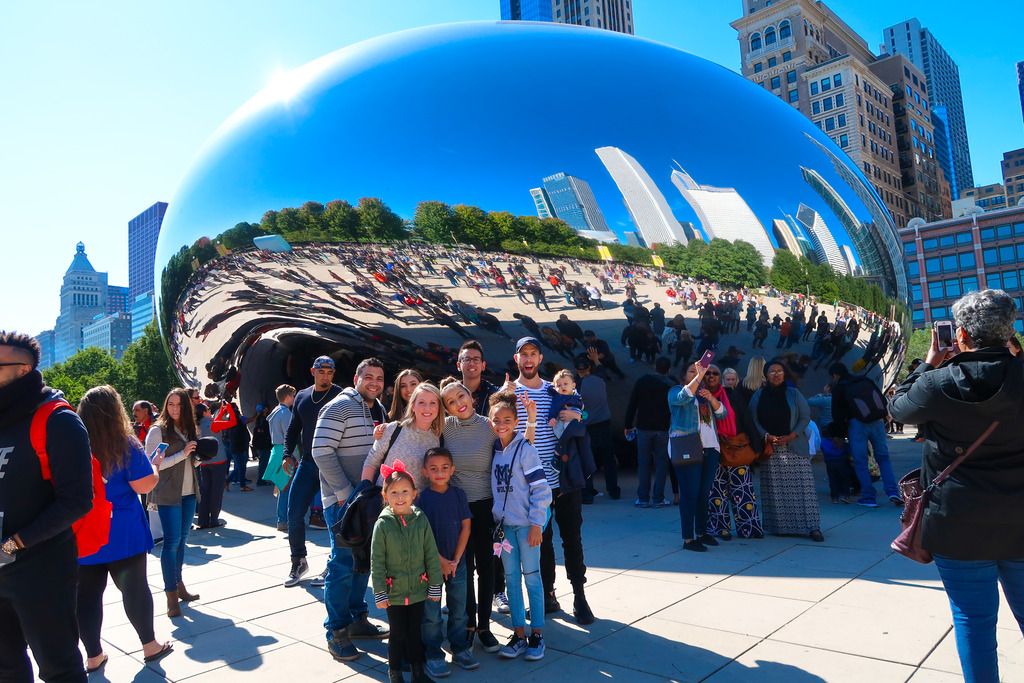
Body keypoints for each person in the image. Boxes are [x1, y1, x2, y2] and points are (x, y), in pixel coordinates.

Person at [889, 289, 1024, 683]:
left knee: (973, 621)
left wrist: (928, 362)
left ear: (960, 335)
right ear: (1009, 330)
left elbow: (897, 406)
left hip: (957, 523)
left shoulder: (937, 384)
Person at [0, 331, 93, 682]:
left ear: (23, 370)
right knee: (6, 669)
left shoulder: (57, 419)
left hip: (40, 572)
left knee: (59, 668)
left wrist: (14, 543)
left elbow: (77, 500)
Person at [76, 386, 172, 672]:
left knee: (87, 597)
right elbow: (143, 484)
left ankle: (93, 656)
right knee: (134, 589)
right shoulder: (125, 443)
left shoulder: (75, 444)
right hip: (122, 531)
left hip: (85, 532)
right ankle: (150, 645)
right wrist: (155, 466)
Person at [509, 337, 594, 624]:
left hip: (564, 479)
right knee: (540, 543)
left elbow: (585, 414)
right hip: (532, 485)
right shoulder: (509, 393)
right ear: (516, 359)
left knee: (572, 538)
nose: (529, 359)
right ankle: (547, 595)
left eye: (533, 354)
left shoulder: (553, 389)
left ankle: (580, 594)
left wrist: (579, 414)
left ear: (540, 358)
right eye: (524, 355)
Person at [311, 358, 390, 661]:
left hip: (367, 504)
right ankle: (337, 631)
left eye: (379, 378)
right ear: (356, 378)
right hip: (343, 504)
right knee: (342, 564)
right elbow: (320, 451)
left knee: (362, 564)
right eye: (368, 376)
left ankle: (357, 619)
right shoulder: (339, 406)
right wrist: (345, 494)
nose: (374, 382)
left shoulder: (378, 409)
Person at [439, 379, 502, 653]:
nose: (459, 403)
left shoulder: (489, 426)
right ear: (447, 409)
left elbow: (516, 446)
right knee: (461, 569)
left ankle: (485, 625)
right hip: (456, 509)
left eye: (461, 396)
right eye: (451, 401)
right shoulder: (444, 429)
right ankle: (467, 624)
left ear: (471, 395)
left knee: (486, 568)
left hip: (485, 506)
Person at [489, 390, 552, 662]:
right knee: (512, 581)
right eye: (496, 419)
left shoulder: (526, 450)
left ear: (516, 421)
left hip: (527, 527)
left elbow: (541, 489)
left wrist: (537, 523)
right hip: (504, 528)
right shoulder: (493, 451)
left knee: (532, 578)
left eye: (506, 419)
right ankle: (518, 634)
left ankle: (537, 634)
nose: (501, 424)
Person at [371, 461, 443, 683]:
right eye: (394, 492)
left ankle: (418, 672)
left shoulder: (420, 519)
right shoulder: (382, 525)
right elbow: (377, 561)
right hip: (393, 593)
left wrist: (434, 585)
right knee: (397, 634)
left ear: (414, 494)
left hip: (418, 590)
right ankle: (395, 673)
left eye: (404, 492)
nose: (400, 497)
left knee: (415, 633)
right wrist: (380, 592)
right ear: (385, 495)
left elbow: (431, 554)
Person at [283, 356, 342, 588]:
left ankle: (333, 565)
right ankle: (298, 561)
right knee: (294, 513)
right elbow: (293, 429)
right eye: (321, 371)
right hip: (308, 463)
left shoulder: (341, 395)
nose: (325, 375)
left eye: (330, 371)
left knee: (336, 518)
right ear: (312, 371)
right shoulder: (302, 396)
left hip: (333, 463)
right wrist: (287, 454)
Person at [419, 448, 478, 677]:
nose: (439, 472)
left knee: (459, 610)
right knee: (432, 612)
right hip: (431, 566)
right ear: (425, 472)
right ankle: (433, 653)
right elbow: (422, 534)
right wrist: (440, 560)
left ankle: (460, 647)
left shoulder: (459, 495)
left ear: (452, 469)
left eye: (445, 468)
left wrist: (454, 559)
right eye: (433, 468)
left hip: (458, 564)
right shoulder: (422, 498)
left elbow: (466, 526)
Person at [749, 361, 824, 542]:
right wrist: (765, 436)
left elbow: (805, 416)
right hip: (771, 449)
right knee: (775, 490)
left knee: (803, 489)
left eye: (780, 371)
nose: (776, 374)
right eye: (772, 371)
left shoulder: (793, 394)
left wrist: (792, 435)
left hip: (794, 447)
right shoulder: (759, 395)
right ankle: (780, 527)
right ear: (766, 375)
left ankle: (812, 527)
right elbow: (752, 418)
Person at [145, 388, 202, 617]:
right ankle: (171, 597)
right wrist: (183, 454)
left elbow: (192, 462)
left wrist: (198, 457)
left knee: (183, 540)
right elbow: (153, 463)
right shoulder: (157, 431)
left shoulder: (188, 428)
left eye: (179, 405)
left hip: (189, 492)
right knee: (171, 543)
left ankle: (179, 586)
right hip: (169, 493)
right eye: (171, 405)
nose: (175, 409)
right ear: (166, 406)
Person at [829, 362, 901, 508]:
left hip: (856, 424)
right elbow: (881, 399)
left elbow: (837, 414)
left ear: (835, 375)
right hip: (876, 422)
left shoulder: (840, 387)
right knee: (883, 458)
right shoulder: (865, 380)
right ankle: (893, 492)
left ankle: (868, 496)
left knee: (860, 461)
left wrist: (839, 434)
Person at [668, 361, 723, 551]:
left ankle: (701, 532)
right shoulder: (676, 391)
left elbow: (722, 414)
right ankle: (688, 538)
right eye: (692, 371)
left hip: (710, 448)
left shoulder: (704, 394)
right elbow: (683, 398)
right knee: (690, 493)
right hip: (688, 447)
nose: (698, 374)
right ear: (684, 375)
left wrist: (712, 399)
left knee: (703, 493)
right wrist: (699, 377)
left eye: (700, 371)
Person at [704, 365, 764, 540]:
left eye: (715, 373)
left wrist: (755, 445)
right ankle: (719, 528)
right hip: (712, 449)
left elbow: (745, 418)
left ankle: (749, 528)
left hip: (734, 448)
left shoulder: (731, 395)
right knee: (716, 491)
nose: (711, 376)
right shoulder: (700, 397)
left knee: (742, 489)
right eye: (707, 373)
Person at [362, 383, 444, 492]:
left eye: (433, 403)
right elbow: (371, 462)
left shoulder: (439, 439)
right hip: (384, 503)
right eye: (421, 402)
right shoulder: (393, 429)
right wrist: (364, 493)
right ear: (413, 406)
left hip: (419, 506)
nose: (427, 408)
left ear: (439, 407)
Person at [625, 357, 674, 508]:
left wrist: (627, 424)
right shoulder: (671, 384)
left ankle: (643, 498)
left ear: (654, 366)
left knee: (644, 463)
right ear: (669, 369)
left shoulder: (642, 381)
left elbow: (633, 403)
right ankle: (658, 497)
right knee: (661, 464)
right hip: (663, 429)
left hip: (644, 428)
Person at [575, 356, 620, 502]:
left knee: (587, 461)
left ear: (576, 370)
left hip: (587, 428)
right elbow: (602, 370)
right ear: (589, 368)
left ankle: (587, 493)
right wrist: (596, 360)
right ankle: (613, 490)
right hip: (604, 426)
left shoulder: (576, 385)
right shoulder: (599, 379)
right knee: (609, 461)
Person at [267, 384, 296, 531]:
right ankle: (284, 520)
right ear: (288, 396)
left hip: (277, 451)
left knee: (281, 487)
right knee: (287, 488)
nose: (294, 398)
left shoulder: (275, 412)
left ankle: (282, 519)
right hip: (286, 453)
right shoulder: (286, 414)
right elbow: (290, 437)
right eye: (293, 395)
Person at [195, 402, 227, 529]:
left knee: (205, 491)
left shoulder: (196, 426)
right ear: (204, 412)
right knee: (216, 491)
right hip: (218, 461)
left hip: (203, 462)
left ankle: (202, 520)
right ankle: (214, 519)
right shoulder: (212, 424)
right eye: (208, 409)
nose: (209, 411)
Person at [456, 340, 498, 416]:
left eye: (476, 359)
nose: (471, 363)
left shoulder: (494, 393)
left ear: (483, 365)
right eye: (467, 359)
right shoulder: (451, 394)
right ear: (458, 366)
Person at [547, 369, 583, 438]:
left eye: (565, 384)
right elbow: (553, 409)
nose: (563, 386)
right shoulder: (558, 398)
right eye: (559, 385)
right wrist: (551, 418)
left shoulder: (579, 397)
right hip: (562, 423)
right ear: (555, 388)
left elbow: (587, 415)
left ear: (573, 385)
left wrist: (578, 416)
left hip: (578, 430)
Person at [251, 404, 273, 486]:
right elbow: (264, 433)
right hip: (264, 445)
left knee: (263, 463)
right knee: (264, 463)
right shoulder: (263, 420)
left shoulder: (259, 419)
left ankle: (262, 479)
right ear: (264, 409)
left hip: (261, 445)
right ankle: (261, 481)